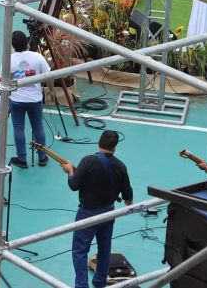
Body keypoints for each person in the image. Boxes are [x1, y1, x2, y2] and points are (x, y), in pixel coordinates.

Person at [59, 130, 133, 288]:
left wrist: (70, 171)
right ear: (115, 147)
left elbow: (74, 185)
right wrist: (128, 202)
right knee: (104, 248)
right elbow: (128, 195)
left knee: (80, 251)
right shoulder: (120, 166)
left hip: (88, 213)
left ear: (99, 142)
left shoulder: (88, 161)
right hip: (109, 212)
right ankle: (99, 281)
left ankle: (81, 285)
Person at [8, 30, 52, 169]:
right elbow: (49, 75)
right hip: (35, 100)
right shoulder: (37, 57)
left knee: (18, 129)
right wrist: (51, 91)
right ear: (27, 43)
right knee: (38, 127)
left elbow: (4, 80)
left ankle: (22, 159)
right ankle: (42, 157)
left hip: (16, 100)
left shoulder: (9, 59)